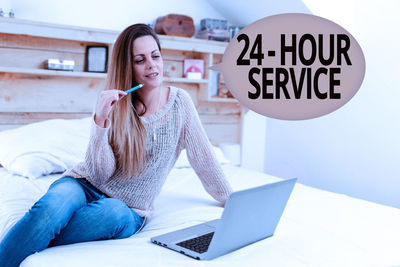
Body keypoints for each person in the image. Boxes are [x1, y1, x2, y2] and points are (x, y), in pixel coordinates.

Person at [0, 23, 233, 267]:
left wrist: (231, 200)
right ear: (128, 67)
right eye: (140, 60)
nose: (152, 65)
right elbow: (99, 173)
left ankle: (31, 236)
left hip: (129, 209)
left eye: (155, 56)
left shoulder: (180, 103)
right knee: (53, 205)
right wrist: (100, 122)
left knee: (111, 213)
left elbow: (204, 159)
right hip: (84, 184)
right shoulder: (116, 105)